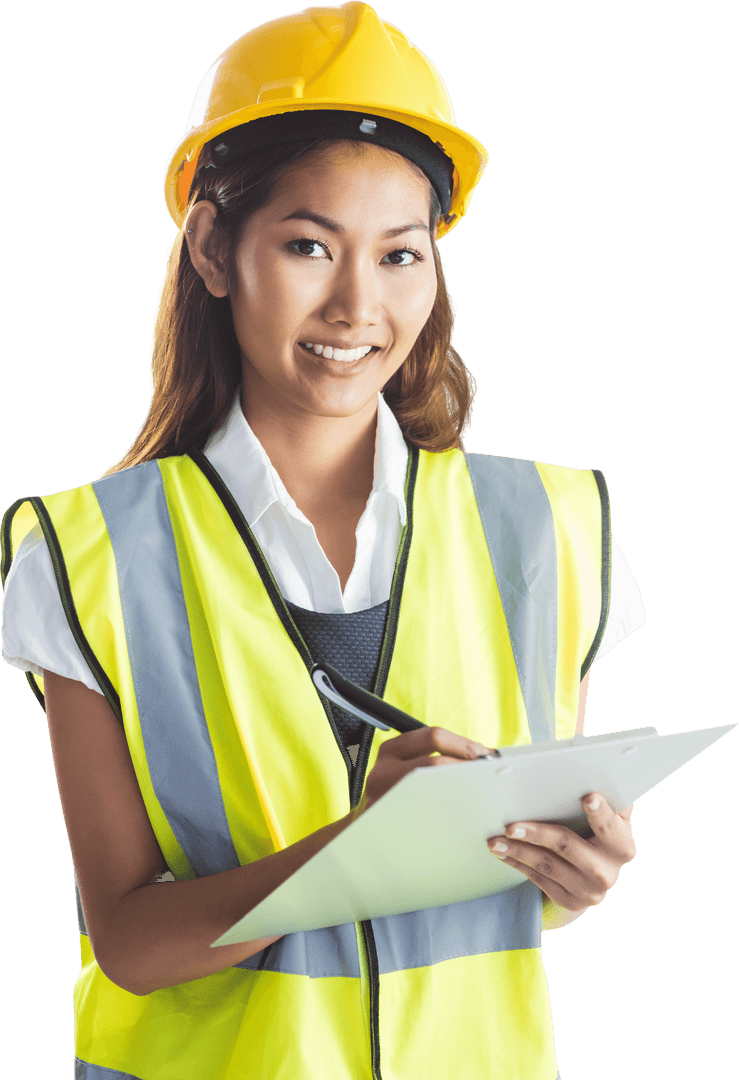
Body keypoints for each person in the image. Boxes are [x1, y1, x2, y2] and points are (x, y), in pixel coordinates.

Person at [0, 3, 645, 1077]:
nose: (358, 305)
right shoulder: (87, 556)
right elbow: (130, 941)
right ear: (212, 246)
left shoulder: (550, 529)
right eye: (308, 245)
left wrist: (573, 874)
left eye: (401, 254)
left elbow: (520, 899)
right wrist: (356, 852)